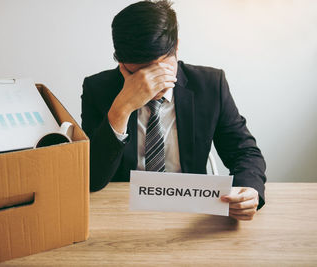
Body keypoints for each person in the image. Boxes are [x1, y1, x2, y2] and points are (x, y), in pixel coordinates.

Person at [81, 0, 266, 221]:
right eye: (139, 73)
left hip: (191, 212)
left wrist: (248, 189)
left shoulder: (210, 85)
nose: (150, 83)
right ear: (122, 63)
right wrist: (121, 109)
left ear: (176, 47)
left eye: (159, 68)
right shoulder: (98, 89)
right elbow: (92, 179)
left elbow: (244, 152)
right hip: (121, 212)